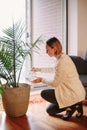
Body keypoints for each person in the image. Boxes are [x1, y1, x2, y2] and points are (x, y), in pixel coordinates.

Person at [31, 37, 86, 120]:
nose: (46, 52)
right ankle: (76, 104)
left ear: (55, 48)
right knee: (50, 110)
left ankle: (72, 105)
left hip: (72, 93)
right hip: (74, 91)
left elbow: (55, 83)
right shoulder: (62, 57)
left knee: (44, 93)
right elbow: (54, 69)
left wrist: (41, 79)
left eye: (48, 49)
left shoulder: (62, 62)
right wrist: (38, 69)